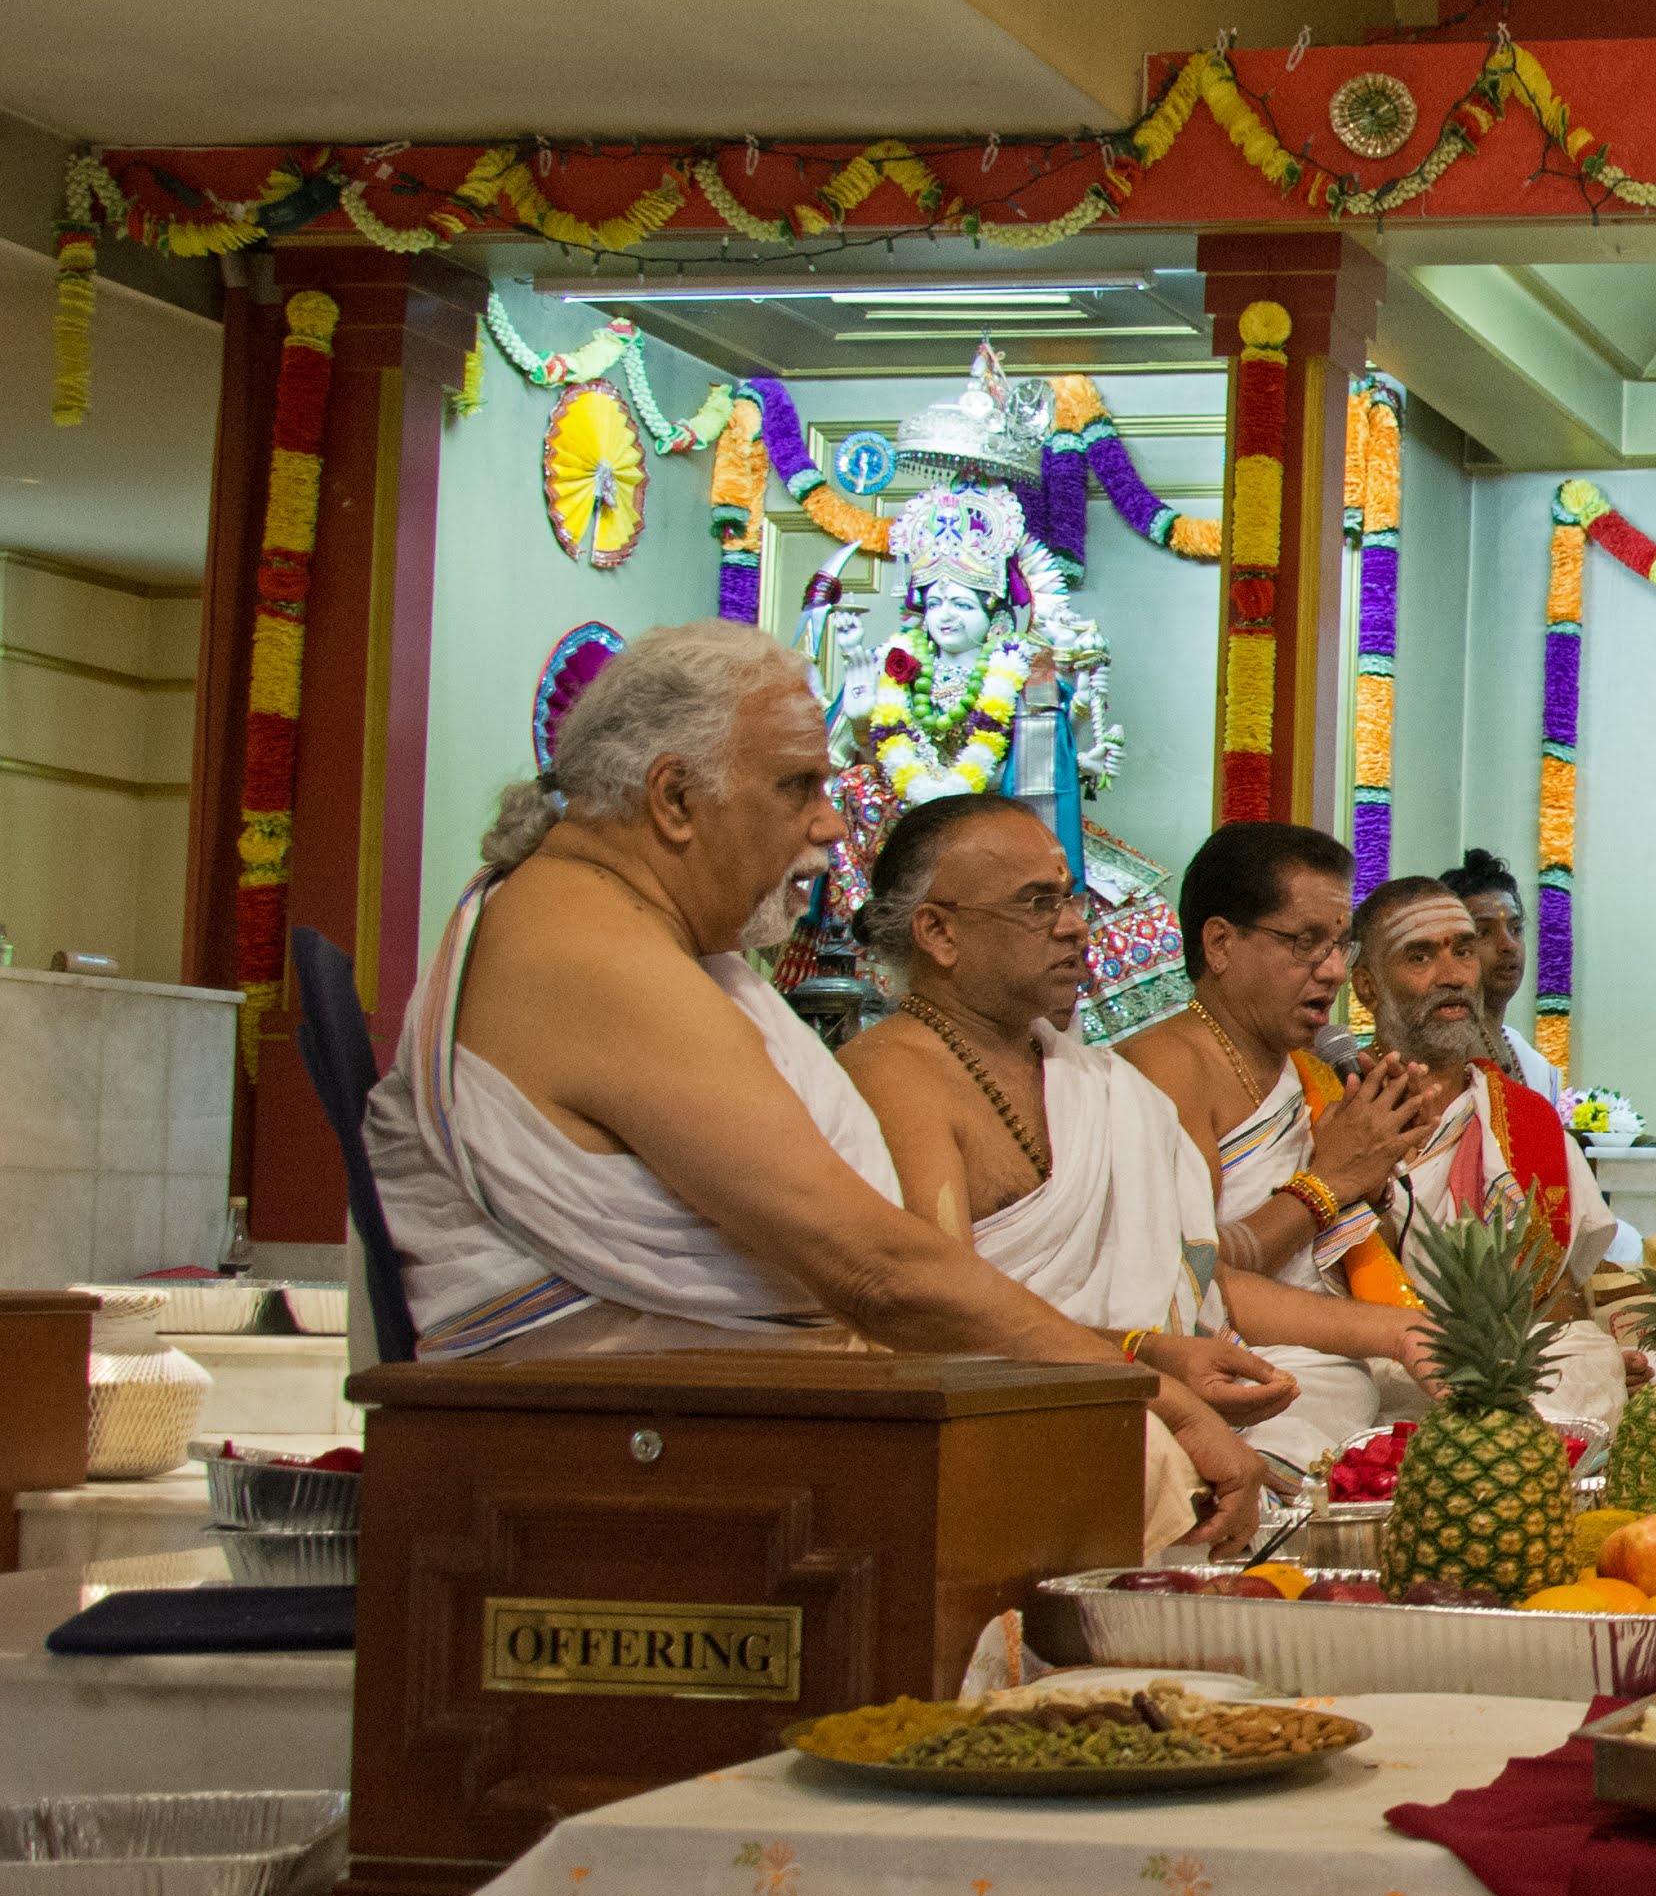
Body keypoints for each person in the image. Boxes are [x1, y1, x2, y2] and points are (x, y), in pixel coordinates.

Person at [363, 622, 1257, 1551]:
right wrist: (1148, 1392)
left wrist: (1136, 1365)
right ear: (674, 798)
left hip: (700, 1419)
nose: (832, 825)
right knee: (1135, 1462)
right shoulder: (595, 951)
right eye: (798, 786)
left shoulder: (612, 923)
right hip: (615, 1457)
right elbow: (873, 1269)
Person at [843, 793, 1427, 1407]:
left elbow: (1190, 1278)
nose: (1076, 925)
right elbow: (936, 1321)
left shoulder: (1100, 1085)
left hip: (1145, 1389)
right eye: (1039, 903)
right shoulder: (894, 1077)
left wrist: (1397, 1317)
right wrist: (1144, 1361)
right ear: (938, 932)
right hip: (1018, 1416)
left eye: (1070, 898)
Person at [1252, 877, 1630, 1454]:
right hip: (1363, 1360)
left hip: (1496, 1367)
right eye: (1420, 956)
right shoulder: (1315, 1105)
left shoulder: (1524, 1119)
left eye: (1464, 950)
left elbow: (1553, 1296)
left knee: (1589, 1356)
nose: (1453, 974)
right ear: (1367, 985)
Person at [1121, 822, 1457, 1287]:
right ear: (1220, 944)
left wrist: (1374, 1166)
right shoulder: (1163, 1067)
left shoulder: (1314, 1075)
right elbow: (1188, 1278)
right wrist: (1330, 1181)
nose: (1335, 972)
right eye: (1307, 943)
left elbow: (1353, 1266)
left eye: (1340, 946)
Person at [1443, 847, 1568, 1103]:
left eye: (1516, 928)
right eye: (1483, 932)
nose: (1509, 945)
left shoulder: (1532, 1064)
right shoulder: (1439, 1052)